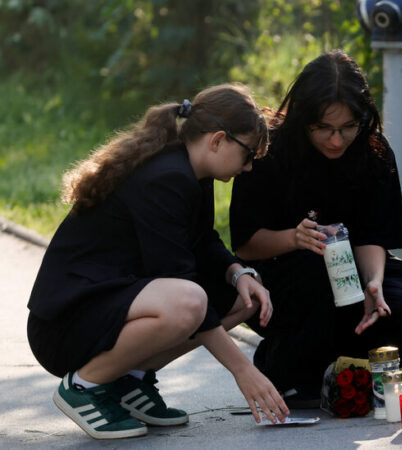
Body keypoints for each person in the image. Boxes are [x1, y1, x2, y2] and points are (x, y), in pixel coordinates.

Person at [27, 83, 290, 440]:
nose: (248, 167)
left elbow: (201, 240)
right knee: (189, 301)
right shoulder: (165, 177)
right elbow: (179, 281)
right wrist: (243, 370)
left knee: (245, 298)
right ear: (217, 141)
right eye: (247, 155)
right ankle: (85, 385)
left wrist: (238, 272)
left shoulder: (192, 171)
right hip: (65, 325)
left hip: (108, 307)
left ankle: (128, 381)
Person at [229, 50, 402, 405]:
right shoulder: (269, 151)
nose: (336, 141)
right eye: (323, 128)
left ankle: (338, 365)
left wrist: (373, 283)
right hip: (286, 282)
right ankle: (283, 362)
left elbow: (372, 236)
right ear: (303, 117)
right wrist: (294, 238)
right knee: (317, 281)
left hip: (351, 278)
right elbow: (245, 244)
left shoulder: (374, 152)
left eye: (348, 127)